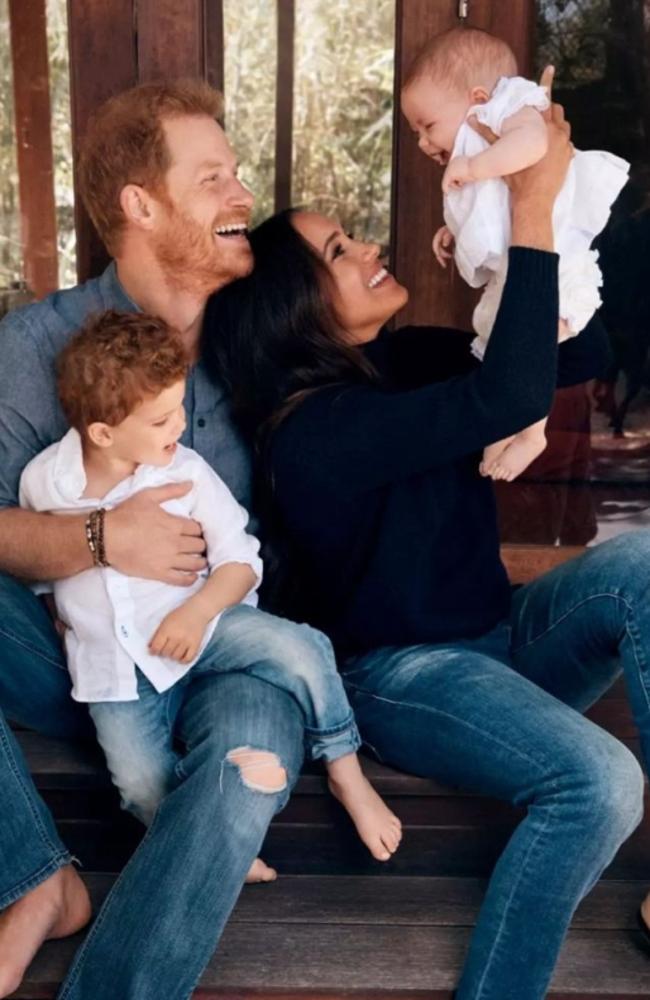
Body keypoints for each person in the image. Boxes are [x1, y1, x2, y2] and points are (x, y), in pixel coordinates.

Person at [202, 97, 648, 1000]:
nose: (368, 247)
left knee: (643, 569)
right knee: (598, 783)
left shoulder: (406, 361)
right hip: (407, 677)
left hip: (501, 639)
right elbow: (503, 400)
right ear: (295, 307)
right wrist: (526, 199)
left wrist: (508, 265)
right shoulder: (313, 433)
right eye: (338, 251)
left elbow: (578, 352)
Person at [1, 78, 313, 1000]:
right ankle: (34, 878)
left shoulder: (260, 342)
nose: (242, 196)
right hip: (86, 665)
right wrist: (102, 538)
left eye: (236, 173)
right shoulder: (34, 348)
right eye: (212, 177)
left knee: (240, 773)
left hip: (230, 656)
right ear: (141, 205)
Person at [19, 309, 401, 856]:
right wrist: (61, 615)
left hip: (209, 621)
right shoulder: (45, 482)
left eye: (179, 408)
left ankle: (344, 768)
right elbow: (44, 568)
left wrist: (196, 614)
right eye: (160, 420)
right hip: (116, 670)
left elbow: (242, 561)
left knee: (303, 649)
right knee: (138, 782)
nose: (178, 426)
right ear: (102, 432)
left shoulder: (186, 472)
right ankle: (204, 847)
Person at [401, 28, 628, 481]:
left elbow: (534, 146)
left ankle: (532, 431)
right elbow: (494, 208)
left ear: (479, 98)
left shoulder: (513, 108)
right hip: (522, 263)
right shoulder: (481, 143)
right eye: (415, 133)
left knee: (531, 343)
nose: (424, 143)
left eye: (428, 126)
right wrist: (454, 230)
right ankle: (508, 423)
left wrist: (473, 166)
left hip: (557, 261)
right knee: (499, 341)